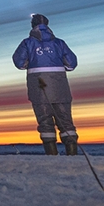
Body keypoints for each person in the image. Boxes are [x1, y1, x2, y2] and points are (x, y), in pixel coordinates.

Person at [12, 14, 79, 155]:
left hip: (38, 87)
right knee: (66, 120)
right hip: (60, 87)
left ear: (32, 25)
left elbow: (19, 63)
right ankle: (73, 155)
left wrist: (33, 63)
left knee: (45, 121)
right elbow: (72, 64)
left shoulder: (27, 43)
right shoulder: (59, 43)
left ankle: (52, 156)